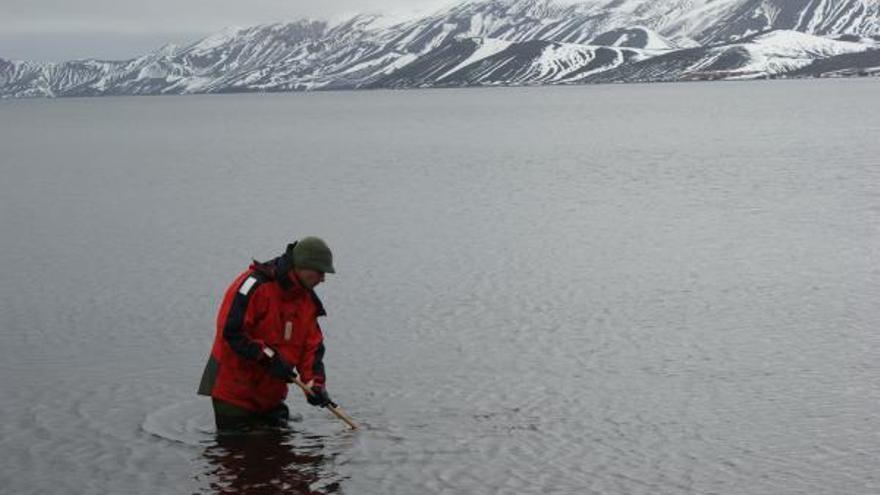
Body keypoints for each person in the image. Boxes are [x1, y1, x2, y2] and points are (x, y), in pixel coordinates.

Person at [198, 237, 336, 431]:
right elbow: (232, 332)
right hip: (233, 391)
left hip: (270, 396)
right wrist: (269, 358)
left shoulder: (307, 302)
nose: (323, 279)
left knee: (277, 454)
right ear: (303, 266)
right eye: (320, 272)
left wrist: (315, 386)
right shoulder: (253, 286)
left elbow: (311, 348)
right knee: (237, 453)